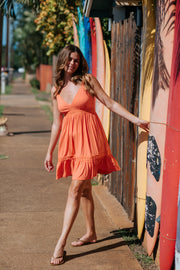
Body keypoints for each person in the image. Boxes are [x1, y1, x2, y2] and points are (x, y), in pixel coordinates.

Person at [44, 44, 149, 266]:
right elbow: (56, 123)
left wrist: (136, 120)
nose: (73, 63)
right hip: (71, 144)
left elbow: (109, 102)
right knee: (84, 190)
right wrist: (49, 152)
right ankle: (91, 233)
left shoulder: (88, 80)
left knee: (75, 189)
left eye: (76, 59)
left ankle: (59, 244)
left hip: (90, 141)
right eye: (69, 59)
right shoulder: (56, 88)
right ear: (62, 61)